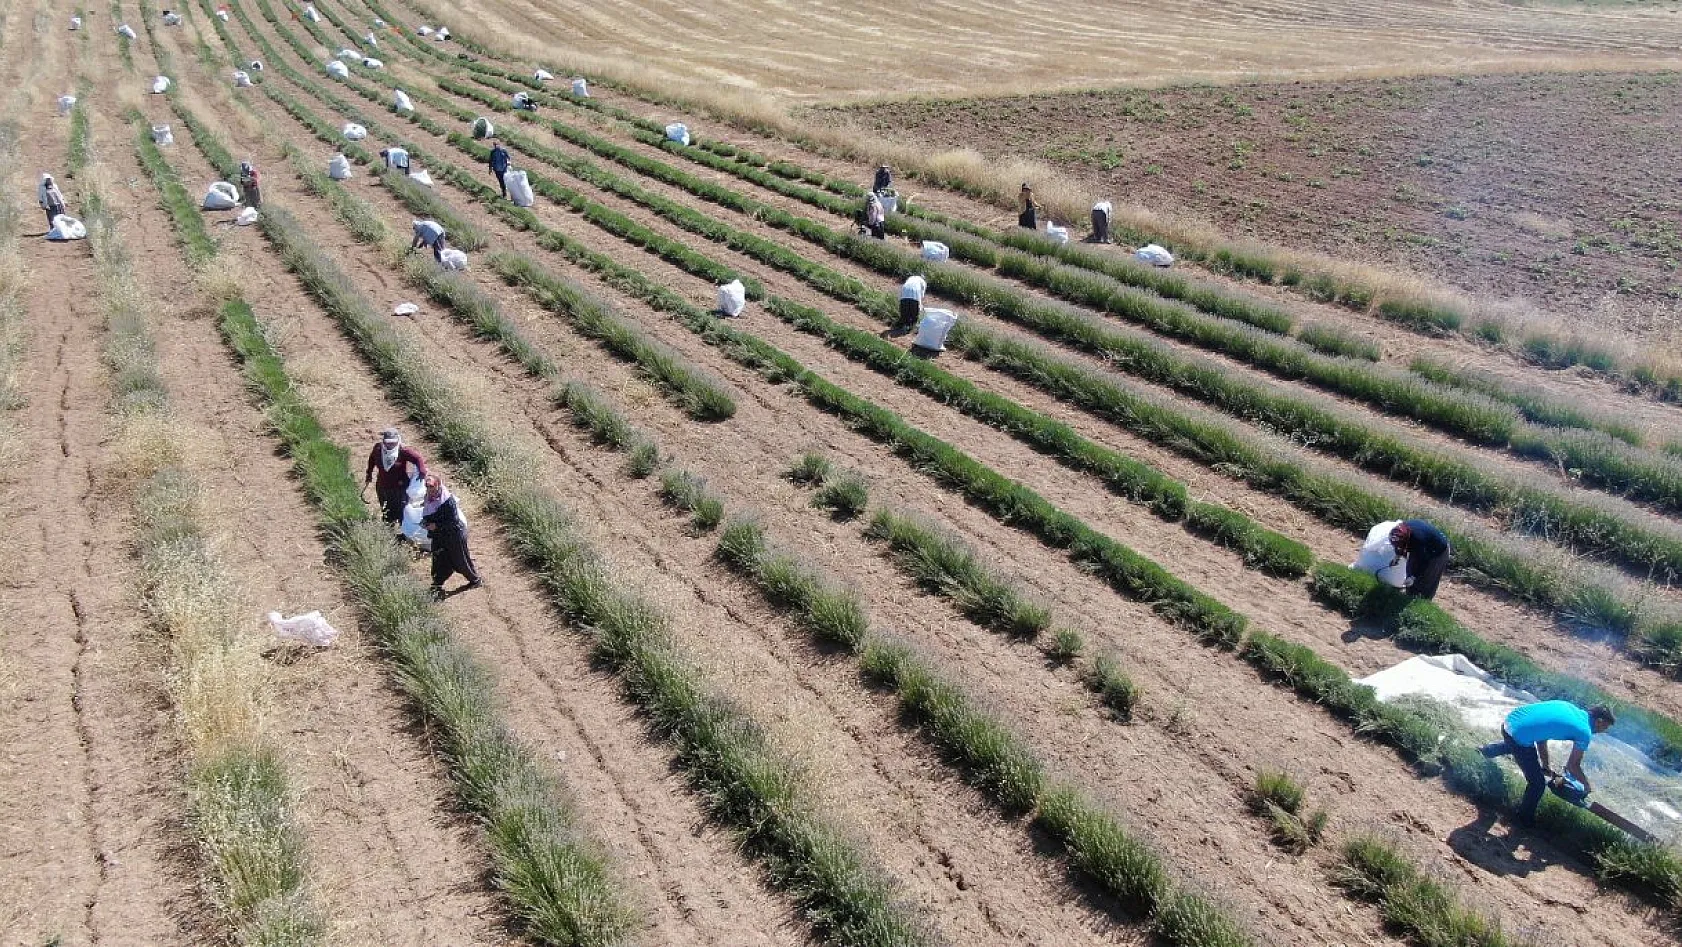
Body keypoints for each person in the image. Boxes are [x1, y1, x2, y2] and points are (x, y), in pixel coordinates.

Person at [1482, 701, 1615, 826]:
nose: (1604, 731)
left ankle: (1481, 752)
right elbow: (1573, 766)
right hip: (1518, 733)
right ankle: (1523, 820)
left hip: (1510, 721)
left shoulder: (1569, 707)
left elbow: (1541, 735)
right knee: (1537, 784)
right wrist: (1586, 786)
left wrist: (1545, 766)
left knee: (1517, 747)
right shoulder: (1584, 732)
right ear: (1599, 721)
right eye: (1605, 727)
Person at [420, 474, 482, 596]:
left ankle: (475, 580)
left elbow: (453, 521)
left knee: (460, 560)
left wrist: (436, 526)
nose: (430, 490)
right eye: (428, 488)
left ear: (438, 486)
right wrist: (425, 523)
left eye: (432, 487)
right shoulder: (428, 499)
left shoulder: (448, 501)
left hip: (454, 535)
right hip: (439, 536)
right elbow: (427, 514)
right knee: (438, 559)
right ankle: (437, 584)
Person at [362, 428, 428, 526]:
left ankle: (404, 531)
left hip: (400, 487)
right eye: (388, 442)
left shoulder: (403, 450)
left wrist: (422, 471)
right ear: (383, 441)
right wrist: (369, 473)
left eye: (393, 442)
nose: (390, 445)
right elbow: (372, 459)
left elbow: (417, 458)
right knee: (386, 510)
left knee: (402, 511)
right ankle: (389, 530)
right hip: (383, 486)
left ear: (397, 440)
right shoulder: (378, 449)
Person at [1388, 519, 1451, 600]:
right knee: (1410, 569)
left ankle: (1423, 601)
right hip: (1424, 545)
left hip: (1438, 551)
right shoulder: (1398, 532)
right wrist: (1397, 556)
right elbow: (1398, 545)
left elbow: (1424, 561)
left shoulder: (1418, 539)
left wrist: (1413, 577)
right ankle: (1409, 596)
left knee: (1427, 579)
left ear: (1407, 539)